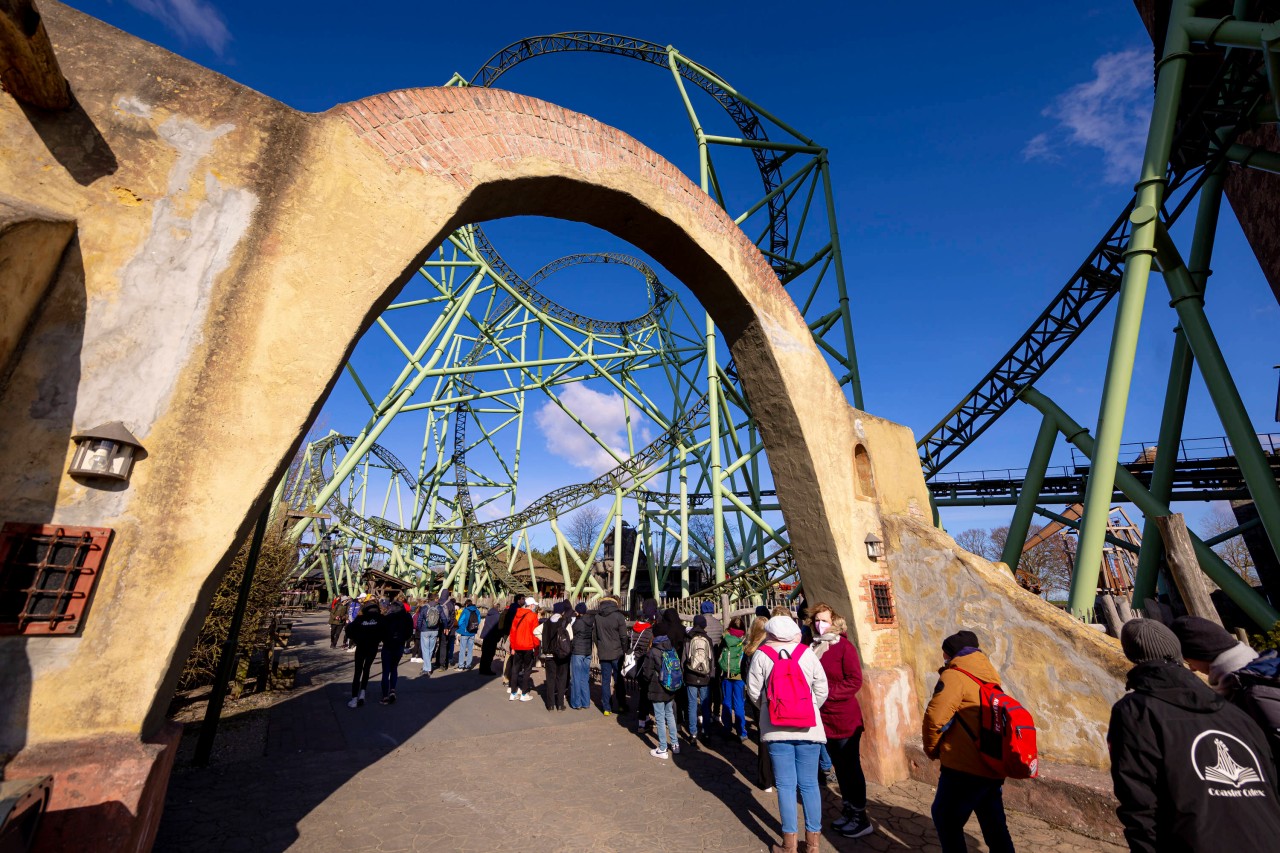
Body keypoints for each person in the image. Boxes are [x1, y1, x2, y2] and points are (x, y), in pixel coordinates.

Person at [1109, 618, 1280, 852]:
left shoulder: (1135, 711)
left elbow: (1139, 801)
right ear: (1180, 654)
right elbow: (1270, 782)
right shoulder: (1234, 710)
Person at [921, 630, 1014, 853]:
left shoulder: (954, 676)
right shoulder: (989, 676)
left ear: (952, 653)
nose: (944, 658)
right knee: (994, 824)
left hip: (963, 765)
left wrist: (932, 749)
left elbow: (935, 718)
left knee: (946, 818)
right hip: (990, 762)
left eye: (945, 654)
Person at [746, 615, 829, 853]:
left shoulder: (762, 654)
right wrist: (809, 707)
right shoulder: (807, 653)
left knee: (785, 785)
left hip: (775, 729)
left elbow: (753, 691)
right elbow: (822, 688)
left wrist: (770, 707)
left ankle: (789, 845)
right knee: (810, 785)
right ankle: (813, 845)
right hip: (809, 728)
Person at [1171, 615, 1280, 772]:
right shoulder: (1262, 670)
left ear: (1200, 655)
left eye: (1188, 660)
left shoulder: (1252, 692)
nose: (1192, 668)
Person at [810, 607, 871, 838]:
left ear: (835, 621)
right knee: (840, 768)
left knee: (851, 767)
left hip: (845, 718)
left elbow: (854, 681)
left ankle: (861, 817)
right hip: (825, 718)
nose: (819, 624)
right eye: (816, 620)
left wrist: (826, 692)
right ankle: (848, 809)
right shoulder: (815, 646)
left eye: (824, 620)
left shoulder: (845, 647)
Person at [641, 630, 682, 759]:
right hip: (670, 687)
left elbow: (646, 674)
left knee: (659, 717)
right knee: (669, 714)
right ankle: (675, 744)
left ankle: (663, 748)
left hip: (657, 688)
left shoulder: (652, 652)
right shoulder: (671, 649)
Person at [744, 615, 774, 790]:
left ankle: (765, 779)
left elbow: (747, 678)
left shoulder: (749, 649)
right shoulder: (773, 648)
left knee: (764, 739)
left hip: (759, 700)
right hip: (775, 697)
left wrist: (757, 702)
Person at [594, 596, 630, 716]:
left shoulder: (598, 617)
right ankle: (621, 705)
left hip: (604, 652)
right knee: (619, 679)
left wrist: (600, 646)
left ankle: (606, 708)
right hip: (617, 652)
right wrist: (624, 650)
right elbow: (624, 636)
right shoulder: (618, 616)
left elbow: (595, 635)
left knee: (605, 681)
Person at [684, 614, 716, 741]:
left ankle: (693, 733)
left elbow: (684, 657)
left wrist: (684, 673)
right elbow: (711, 659)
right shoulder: (707, 638)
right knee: (705, 704)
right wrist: (711, 675)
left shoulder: (688, 637)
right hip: (705, 676)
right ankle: (706, 731)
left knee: (692, 705)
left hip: (690, 675)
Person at [347, 598, 383, 708]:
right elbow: (385, 632)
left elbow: (349, 630)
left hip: (361, 647)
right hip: (373, 647)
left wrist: (357, 640)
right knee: (367, 669)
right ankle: (362, 693)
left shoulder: (360, 618)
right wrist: (378, 640)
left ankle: (354, 699)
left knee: (358, 671)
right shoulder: (380, 619)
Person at [379, 590, 413, 705]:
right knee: (394, 668)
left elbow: (382, 631)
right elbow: (409, 631)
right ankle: (392, 690)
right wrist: (403, 639)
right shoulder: (407, 616)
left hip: (388, 645)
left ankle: (384, 696)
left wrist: (384, 640)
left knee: (385, 671)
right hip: (399, 645)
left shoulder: (387, 616)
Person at [629, 600, 657, 732]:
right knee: (646, 694)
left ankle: (644, 719)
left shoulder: (634, 628)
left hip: (636, 661)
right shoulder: (649, 630)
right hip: (646, 663)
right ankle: (642, 721)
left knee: (643, 692)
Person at [542, 601, 574, 711]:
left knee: (550, 679)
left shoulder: (546, 623)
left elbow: (538, 634)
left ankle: (550, 704)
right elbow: (570, 637)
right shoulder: (564, 622)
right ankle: (560, 704)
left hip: (549, 655)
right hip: (562, 655)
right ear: (562, 611)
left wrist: (545, 645)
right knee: (561, 679)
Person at [720, 615, 749, 741]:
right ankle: (741, 731)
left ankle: (727, 728)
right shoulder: (744, 642)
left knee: (726, 702)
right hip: (739, 677)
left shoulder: (725, 640)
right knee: (739, 704)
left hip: (726, 675)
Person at [508, 596, 539, 702]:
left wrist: (512, 646)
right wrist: (537, 647)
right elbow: (535, 633)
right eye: (534, 605)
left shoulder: (517, 614)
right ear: (530, 605)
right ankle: (524, 693)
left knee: (515, 669)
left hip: (517, 645)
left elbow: (512, 632)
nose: (534, 607)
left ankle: (513, 692)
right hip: (528, 645)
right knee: (527, 670)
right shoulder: (533, 616)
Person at [569, 602, 595, 710]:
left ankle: (576, 702)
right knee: (585, 678)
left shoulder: (577, 623)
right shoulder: (591, 621)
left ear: (578, 612)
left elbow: (572, 634)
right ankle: (586, 702)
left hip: (577, 652)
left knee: (576, 677)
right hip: (587, 651)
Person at [417, 592, 443, 675]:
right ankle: (426, 666)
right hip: (435, 630)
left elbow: (419, 619)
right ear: (435, 599)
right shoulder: (439, 608)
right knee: (431, 650)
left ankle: (427, 668)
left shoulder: (424, 607)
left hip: (425, 630)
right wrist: (445, 627)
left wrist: (420, 628)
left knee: (425, 650)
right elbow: (444, 619)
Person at [477, 599, 504, 675]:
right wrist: (499, 636)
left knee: (484, 653)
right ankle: (487, 669)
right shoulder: (498, 616)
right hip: (493, 636)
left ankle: (482, 669)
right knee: (490, 654)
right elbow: (499, 628)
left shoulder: (488, 615)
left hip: (486, 636)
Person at [455, 598, 481, 671]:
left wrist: (462, 628)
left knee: (462, 649)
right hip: (473, 632)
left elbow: (460, 621)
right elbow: (478, 621)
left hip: (465, 632)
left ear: (466, 604)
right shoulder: (477, 611)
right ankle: (468, 665)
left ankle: (461, 666)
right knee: (470, 650)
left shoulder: (465, 611)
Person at [437, 591, 458, 670]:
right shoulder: (450, 604)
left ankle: (436, 662)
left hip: (436, 626)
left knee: (437, 644)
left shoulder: (438, 602)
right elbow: (453, 618)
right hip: (446, 627)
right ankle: (443, 664)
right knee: (444, 645)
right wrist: (449, 628)